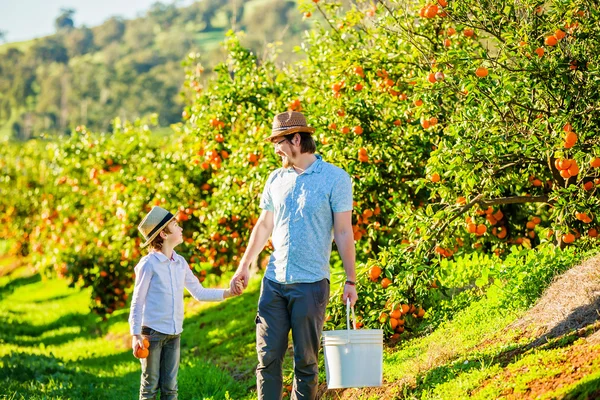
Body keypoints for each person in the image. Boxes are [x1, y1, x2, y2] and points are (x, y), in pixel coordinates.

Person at [229, 111, 358, 399]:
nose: (275, 149)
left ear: (296, 139)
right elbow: (264, 225)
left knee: (306, 364)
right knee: (267, 360)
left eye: (278, 142)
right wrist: (244, 266)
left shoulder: (335, 179)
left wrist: (351, 280)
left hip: (311, 284)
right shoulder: (276, 178)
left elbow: (344, 232)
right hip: (274, 282)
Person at [129, 206, 241, 400]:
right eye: (175, 225)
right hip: (152, 334)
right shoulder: (149, 264)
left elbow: (198, 292)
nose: (181, 228)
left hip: (174, 334)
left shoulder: (179, 262)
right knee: (149, 387)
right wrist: (135, 334)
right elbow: (137, 301)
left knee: (171, 388)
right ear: (163, 233)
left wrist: (228, 293)